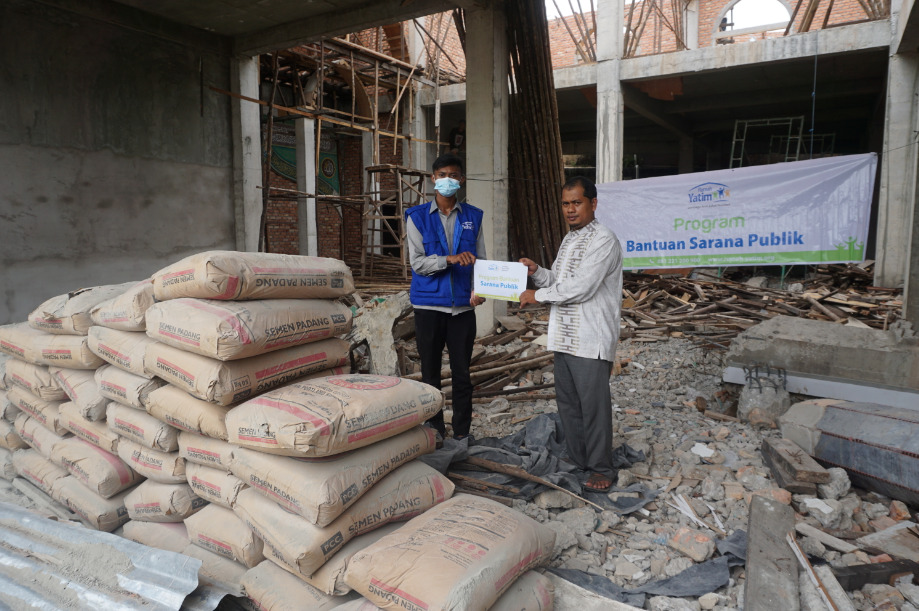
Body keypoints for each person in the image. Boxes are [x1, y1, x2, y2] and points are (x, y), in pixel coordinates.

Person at [518, 176, 623, 492]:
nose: (570, 209)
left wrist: (536, 296)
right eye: (565, 204)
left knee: (593, 409)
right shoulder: (569, 240)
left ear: (593, 203)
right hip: (564, 335)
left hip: (590, 337)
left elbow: (581, 287)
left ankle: (602, 468)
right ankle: (580, 462)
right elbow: (558, 280)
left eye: (577, 202)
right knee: (570, 406)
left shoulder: (604, 240)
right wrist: (537, 272)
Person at [405, 153, 485, 441]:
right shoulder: (416, 218)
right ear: (433, 179)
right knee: (430, 376)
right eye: (441, 174)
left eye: (453, 175)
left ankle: (463, 433)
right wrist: (449, 259)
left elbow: (481, 261)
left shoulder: (473, 217)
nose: (447, 180)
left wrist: (480, 290)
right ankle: (435, 432)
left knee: (463, 375)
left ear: (461, 180)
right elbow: (418, 264)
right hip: (428, 307)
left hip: (463, 309)